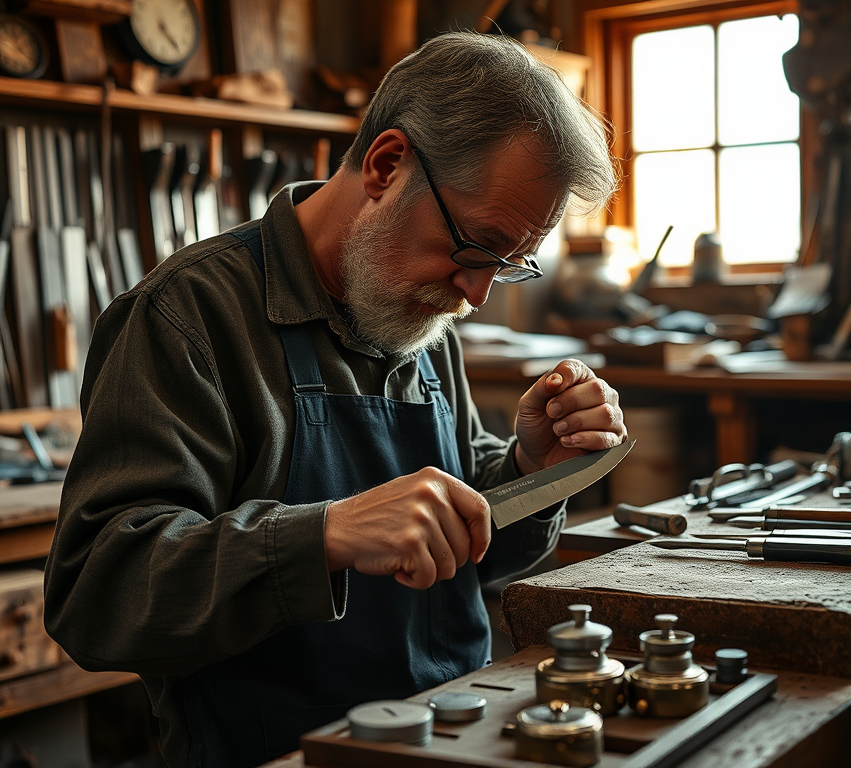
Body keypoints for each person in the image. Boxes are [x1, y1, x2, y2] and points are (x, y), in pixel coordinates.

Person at [44, 31, 624, 768]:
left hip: (453, 741)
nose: (477, 296)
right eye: (477, 247)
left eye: (508, 264)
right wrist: (322, 536)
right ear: (387, 166)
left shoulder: (422, 308)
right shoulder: (186, 318)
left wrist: (529, 471)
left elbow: (456, 549)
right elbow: (98, 591)